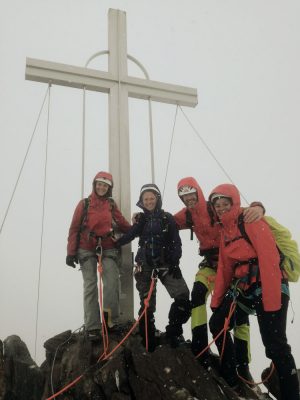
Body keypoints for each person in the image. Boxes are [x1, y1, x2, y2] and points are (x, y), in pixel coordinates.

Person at [208, 183, 300, 399]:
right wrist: (216, 302)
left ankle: (291, 396)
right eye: (217, 205)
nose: (221, 208)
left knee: (274, 344)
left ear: (234, 202)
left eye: (224, 203)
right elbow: (224, 268)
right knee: (217, 324)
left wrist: (271, 302)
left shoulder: (251, 220)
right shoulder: (225, 231)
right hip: (245, 288)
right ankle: (232, 378)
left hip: (272, 287)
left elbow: (269, 260)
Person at [174, 177, 264, 379]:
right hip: (210, 265)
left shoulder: (214, 207)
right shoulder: (187, 215)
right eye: (183, 195)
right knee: (197, 295)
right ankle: (200, 348)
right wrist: (142, 219)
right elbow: (165, 221)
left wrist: (259, 207)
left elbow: (235, 210)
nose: (188, 198)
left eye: (190, 193)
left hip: (230, 266)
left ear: (198, 191)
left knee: (239, 313)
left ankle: (243, 365)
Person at [117, 183, 191, 351]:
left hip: (166, 265)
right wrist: (112, 243)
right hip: (145, 267)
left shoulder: (167, 218)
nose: (149, 201)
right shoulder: (141, 220)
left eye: (152, 198)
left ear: (157, 199)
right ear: (141, 202)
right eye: (146, 199)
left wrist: (175, 261)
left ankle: (173, 332)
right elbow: (129, 235)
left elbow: (176, 242)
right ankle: (148, 341)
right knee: (147, 305)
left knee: (183, 297)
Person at [66, 171, 131, 339]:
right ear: (94, 185)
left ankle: (110, 322)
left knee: (111, 283)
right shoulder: (84, 204)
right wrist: (70, 252)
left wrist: (138, 228)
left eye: (105, 185)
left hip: (107, 247)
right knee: (90, 286)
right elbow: (74, 228)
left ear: (109, 188)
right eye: (99, 184)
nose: (101, 187)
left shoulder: (110, 204)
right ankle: (92, 326)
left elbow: (122, 223)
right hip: (86, 248)